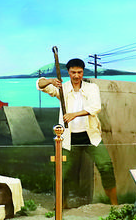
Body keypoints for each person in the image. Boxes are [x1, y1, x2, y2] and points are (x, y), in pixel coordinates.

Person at [37, 57, 118, 206]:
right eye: (73, 72)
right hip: (69, 138)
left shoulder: (92, 88)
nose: (76, 75)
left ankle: (115, 204)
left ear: (83, 72)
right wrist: (50, 81)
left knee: (106, 166)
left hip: (90, 136)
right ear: (68, 72)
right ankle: (61, 205)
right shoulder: (62, 88)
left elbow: (95, 107)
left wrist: (74, 114)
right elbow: (40, 85)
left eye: (79, 72)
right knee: (62, 172)